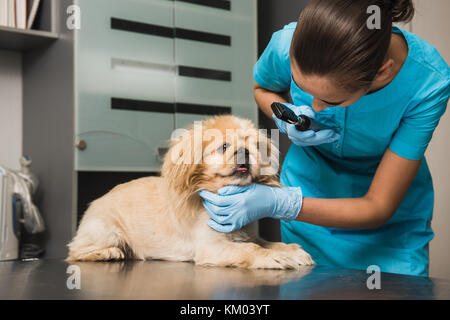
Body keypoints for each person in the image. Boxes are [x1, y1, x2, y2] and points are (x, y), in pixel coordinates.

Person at [199, 0, 450, 277]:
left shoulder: (428, 83)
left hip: (387, 230)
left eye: (330, 99)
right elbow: (263, 87)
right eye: (304, 90)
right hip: (309, 197)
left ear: (382, 72)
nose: (315, 107)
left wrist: (279, 202)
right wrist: (283, 117)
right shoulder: (287, 43)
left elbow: (377, 206)